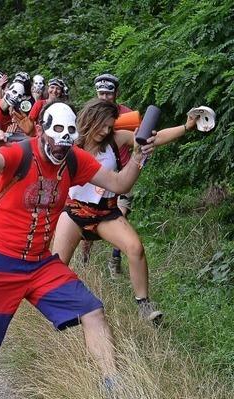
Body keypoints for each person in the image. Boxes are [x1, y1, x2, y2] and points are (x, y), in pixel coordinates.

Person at [0, 101, 152, 399]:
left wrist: (138, 158)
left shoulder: (73, 160)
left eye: (70, 132)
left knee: (93, 311)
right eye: (57, 130)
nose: (64, 138)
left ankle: (113, 383)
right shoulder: (22, 153)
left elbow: (119, 184)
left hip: (41, 264)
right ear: (42, 130)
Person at [51, 98, 198, 322]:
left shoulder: (115, 139)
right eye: (102, 125)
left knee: (135, 248)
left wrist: (186, 127)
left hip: (105, 213)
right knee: (57, 264)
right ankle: (56, 311)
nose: (105, 130)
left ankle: (144, 305)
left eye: (110, 126)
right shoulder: (71, 142)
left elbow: (154, 139)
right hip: (75, 211)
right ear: (91, 120)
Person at [81, 73, 134, 271]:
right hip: (97, 175)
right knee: (88, 217)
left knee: (121, 214)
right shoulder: (91, 114)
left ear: (116, 93)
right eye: (101, 93)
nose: (104, 97)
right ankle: (85, 258)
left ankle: (115, 258)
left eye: (108, 94)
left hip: (123, 174)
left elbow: (143, 135)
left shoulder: (127, 115)